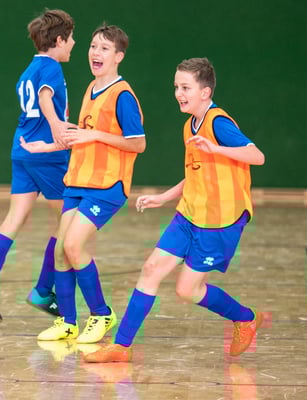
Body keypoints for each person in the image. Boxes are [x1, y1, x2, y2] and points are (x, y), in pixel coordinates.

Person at [84, 57, 266, 363]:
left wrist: (216, 148)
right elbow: (196, 173)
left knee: (187, 290)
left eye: (185, 87)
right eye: (176, 87)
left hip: (219, 221)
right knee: (151, 269)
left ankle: (245, 318)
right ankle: (121, 346)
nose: (178, 93)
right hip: (189, 214)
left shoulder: (218, 123)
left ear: (205, 92)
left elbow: (257, 156)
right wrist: (163, 197)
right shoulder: (189, 125)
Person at [22, 25, 146, 344]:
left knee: (74, 246)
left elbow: (138, 143)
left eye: (104, 48)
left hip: (107, 185)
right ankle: (68, 322)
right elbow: (82, 136)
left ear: (119, 56)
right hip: (78, 180)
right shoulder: (91, 88)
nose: (95, 53)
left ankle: (101, 314)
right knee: (61, 251)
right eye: (93, 46)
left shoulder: (122, 95)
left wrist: (96, 135)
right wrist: (48, 146)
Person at [0, 9, 76, 322]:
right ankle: (43, 290)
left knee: (15, 218)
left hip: (22, 149)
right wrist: (57, 126)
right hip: (47, 153)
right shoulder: (52, 67)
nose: (73, 44)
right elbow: (45, 98)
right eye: (71, 39)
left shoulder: (29, 69)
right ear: (59, 40)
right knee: (68, 223)